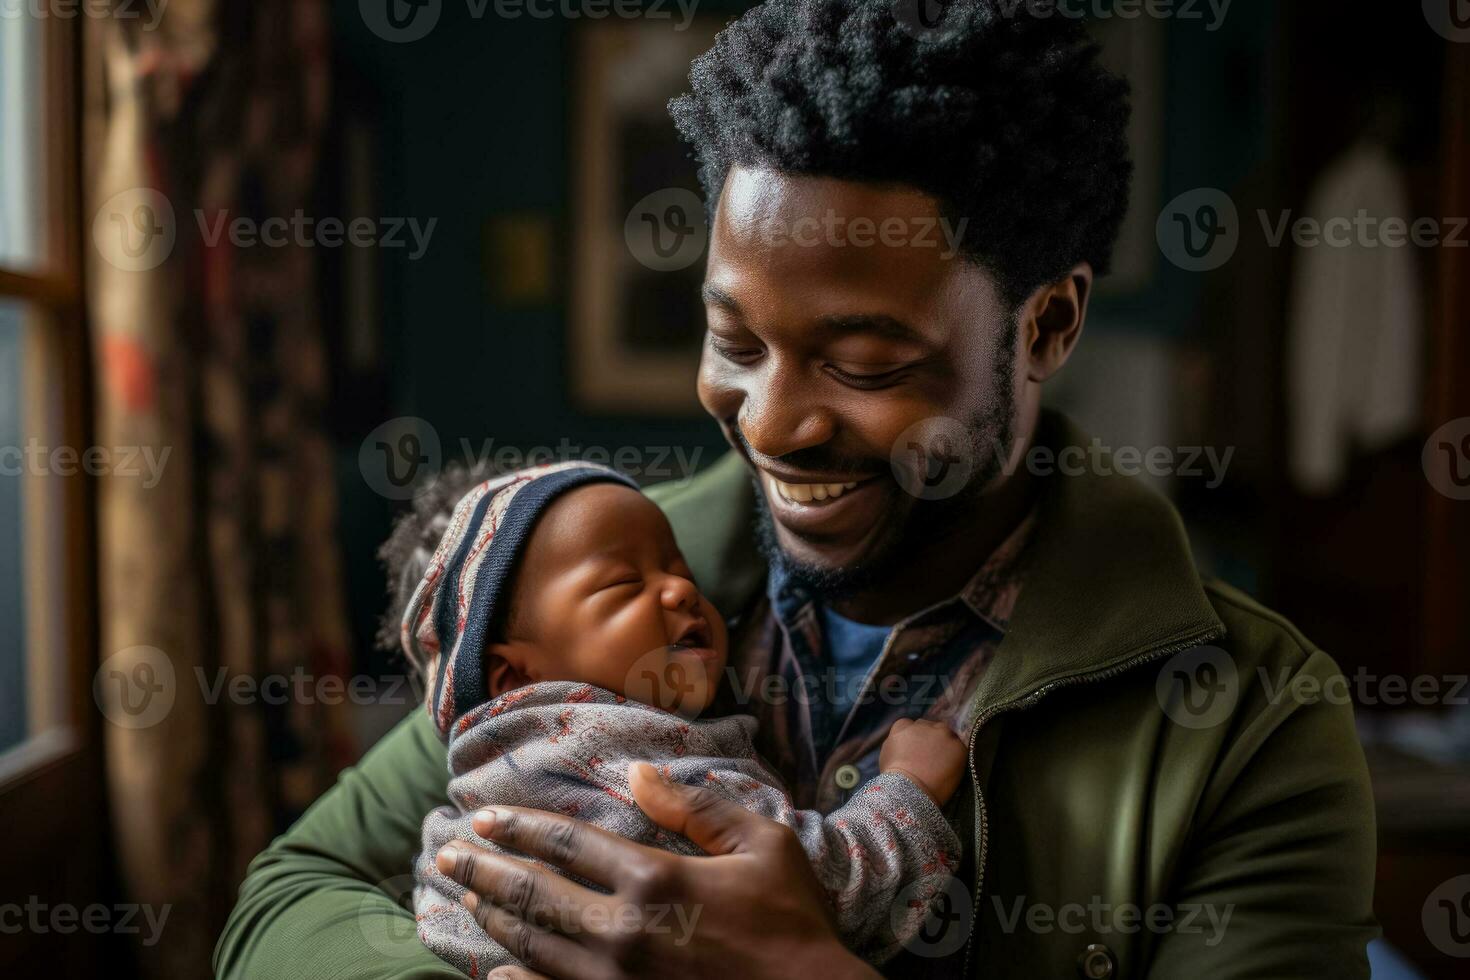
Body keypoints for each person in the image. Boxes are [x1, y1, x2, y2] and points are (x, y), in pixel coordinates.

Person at [215, 1, 1377, 977]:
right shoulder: (574, 593)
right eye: (733, 339)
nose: (771, 422)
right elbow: (286, 900)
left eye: (865, 364)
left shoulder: (1253, 725)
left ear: (1048, 324)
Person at [404, 461, 965, 973]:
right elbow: (829, 894)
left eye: (684, 573)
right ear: (516, 679)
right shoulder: (650, 774)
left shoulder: (469, 809)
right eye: (624, 585)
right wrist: (907, 789)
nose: (680, 591)